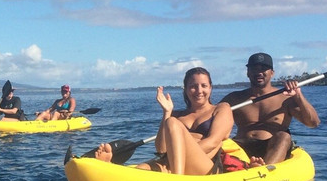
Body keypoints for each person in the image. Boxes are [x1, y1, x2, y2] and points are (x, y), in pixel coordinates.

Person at [95, 67, 235, 173]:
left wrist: (174, 156)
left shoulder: (221, 108)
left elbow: (213, 141)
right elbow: (161, 148)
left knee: (172, 123)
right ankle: (108, 170)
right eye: (193, 86)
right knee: (140, 169)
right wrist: (167, 113)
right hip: (174, 162)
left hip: (205, 164)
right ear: (186, 89)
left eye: (204, 86)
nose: (199, 90)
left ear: (210, 88)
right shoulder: (176, 115)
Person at [220, 51, 320, 164]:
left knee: (283, 136)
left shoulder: (285, 98)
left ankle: (264, 170)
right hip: (241, 146)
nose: (259, 72)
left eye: (263, 69)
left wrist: (298, 96)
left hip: (272, 147)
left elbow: (313, 123)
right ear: (248, 73)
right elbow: (209, 118)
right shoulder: (234, 98)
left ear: (272, 73)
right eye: (254, 68)